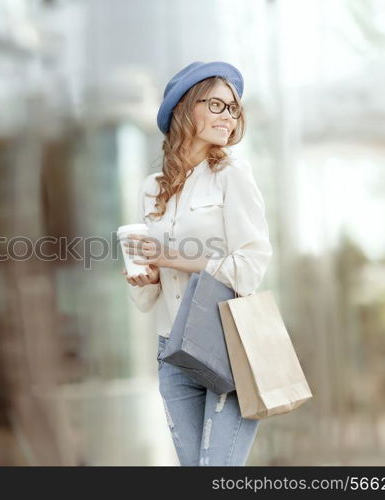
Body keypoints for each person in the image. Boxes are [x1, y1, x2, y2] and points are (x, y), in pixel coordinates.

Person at [121, 61, 272, 466]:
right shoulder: (152, 190)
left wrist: (172, 257)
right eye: (217, 106)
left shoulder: (232, 174)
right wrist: (147, 277)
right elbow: (149, 296)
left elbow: (252, 265)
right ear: (186, 108)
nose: (229, 117)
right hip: (171, 348)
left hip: (226, 342)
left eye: (233, 109)